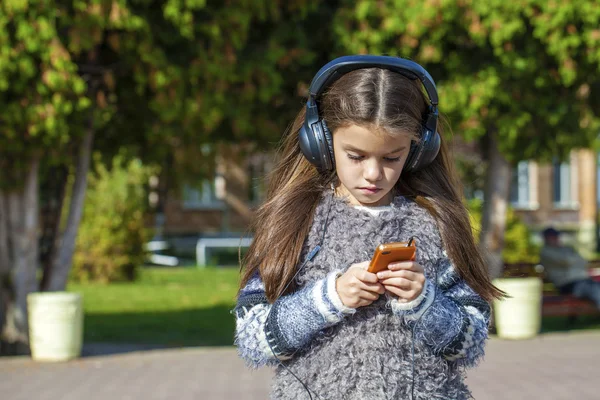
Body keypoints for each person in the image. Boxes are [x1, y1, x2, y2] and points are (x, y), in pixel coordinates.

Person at [233, 55, 503, 400]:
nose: (374, 174)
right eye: (356, 156)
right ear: (322, 143)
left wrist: (425, 302)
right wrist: (328, 298)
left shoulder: (437, 224)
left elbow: (470, 342)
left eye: (392, 157)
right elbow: (254, 339)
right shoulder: (295, 224)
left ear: (419, 150)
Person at [540, 227, 600, 308]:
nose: (555, 239)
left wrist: (573, 260)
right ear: (545, 238)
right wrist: (574, 260)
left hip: (583, 281)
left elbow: (583, 261)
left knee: (595, 287)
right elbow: (567, 261)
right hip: (568, 286)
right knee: (595, 290)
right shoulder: (546, 252)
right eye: (552, 237)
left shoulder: (565, 249)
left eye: (556, 236)